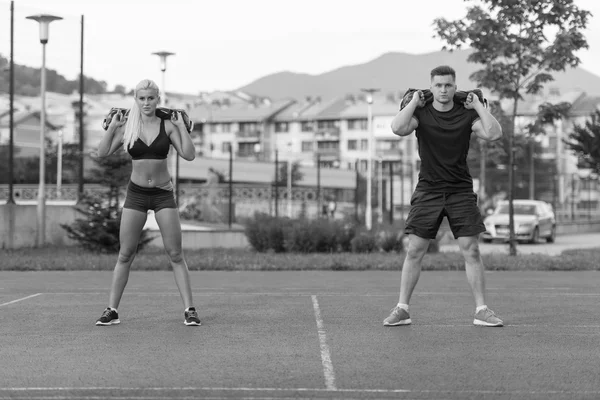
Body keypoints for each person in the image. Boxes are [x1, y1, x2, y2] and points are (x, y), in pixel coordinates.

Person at [385, 65, 504, 327]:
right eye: (438, 85)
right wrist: (414, 101)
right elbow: (397, 128)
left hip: (460, 190)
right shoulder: (422, 113)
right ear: (431, 86)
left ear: (454, 86)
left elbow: (494, 133)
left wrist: (479, 107)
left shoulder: (465, 114)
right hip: (428, 189)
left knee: (471, 250)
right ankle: (402, 309)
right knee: (415, 249)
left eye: (448, 85)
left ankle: (481, 310)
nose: (443, 90)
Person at [95, 79, 201, 327]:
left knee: (175, 253)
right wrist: (112, 127)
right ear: (136, 99)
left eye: (150, 98)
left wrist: (181, 127)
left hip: (163, 194)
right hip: (137, 195)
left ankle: (190, 310)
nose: (146, 103)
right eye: (141, 98)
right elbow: (102, 153)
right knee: (125, 254)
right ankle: (112, 310)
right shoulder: (128, 126)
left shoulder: (169, 125)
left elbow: (189, 154)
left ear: (157, 99)